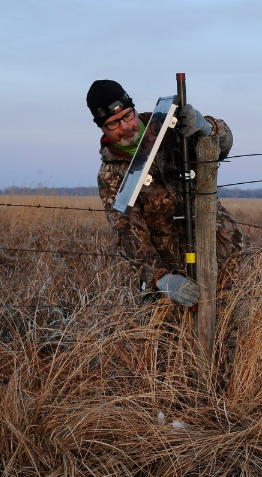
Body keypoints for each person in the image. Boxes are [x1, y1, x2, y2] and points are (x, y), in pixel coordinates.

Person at [86, 80, 245, 307]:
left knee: (234, 335)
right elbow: (129, 233)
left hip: (222, 259)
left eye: (127, 116)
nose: (124, 126)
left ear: (133, 109)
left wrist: (206, 128)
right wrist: (161, 278)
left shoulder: (169, 125)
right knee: (172, 341)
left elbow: (223, 144)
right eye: (112, 124)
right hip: (174, 284)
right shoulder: (111, 175)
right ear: (101, 128)